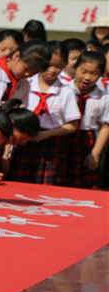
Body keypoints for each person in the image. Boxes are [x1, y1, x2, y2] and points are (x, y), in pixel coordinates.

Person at [7, 41, 78, 185]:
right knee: (19, 184)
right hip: (23, 142)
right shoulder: (25, 84)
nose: (52, 70)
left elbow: (72, 125)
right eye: (48, 65)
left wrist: (47, 134)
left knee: (47, 186)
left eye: (59, 66)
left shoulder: (66, 91)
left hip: (52, 145)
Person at [63, 51, 109, 189]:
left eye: (94, 73)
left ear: (101, 75)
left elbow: (105, 127)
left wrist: (95, 154)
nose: (87, 77)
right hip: (61, 137)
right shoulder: (63, 90)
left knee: (84, 187)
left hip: (87, 142)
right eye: (84, 71)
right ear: (75, 69)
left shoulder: (104, 97)